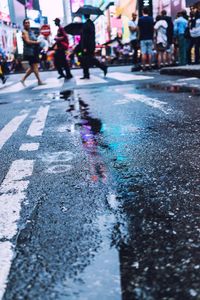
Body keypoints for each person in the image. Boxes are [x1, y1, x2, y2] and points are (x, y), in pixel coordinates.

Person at [80, 14, 107, 79]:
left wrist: (84, 47)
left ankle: (103, 67)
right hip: (91, 45)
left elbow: (86, 37)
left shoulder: (86, 24)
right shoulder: (91, 24)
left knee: (89, 59)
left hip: (88, 46)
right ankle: (86, 74)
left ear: (84, 16)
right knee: (86, 60)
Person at [20, 18, 45, 86]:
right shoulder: (24, 31)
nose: (27, 24)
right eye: (26, 23)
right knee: (35, 67)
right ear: (23, 24)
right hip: (30, 52)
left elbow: (33, 38)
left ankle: (23, 79)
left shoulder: (30, 31)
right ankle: (39, 81)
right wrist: (37, 42)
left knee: (33, 67)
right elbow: (27, 41)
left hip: (34, 51)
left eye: (28, 23)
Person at [138, 7, 154, 71]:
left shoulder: (140, 19)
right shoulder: (151, 19)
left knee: (143, 53)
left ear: (142, 11)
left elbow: (139, 29)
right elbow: (152, 28)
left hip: (143, 38)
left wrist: (138, 37)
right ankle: (150, 66)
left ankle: (144, 67)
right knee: (150, 53)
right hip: (150, 37)